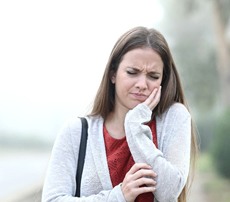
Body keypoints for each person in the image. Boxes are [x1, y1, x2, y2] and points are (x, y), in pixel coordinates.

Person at [42, 26, 198, 202]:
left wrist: (134, 125)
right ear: (113, 74)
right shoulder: (76, 132)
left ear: (164, 80)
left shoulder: (174, 118)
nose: (142, 84)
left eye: (153, 76)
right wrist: (119, 196)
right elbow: (52, 199)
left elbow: (169, 192)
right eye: (132, 72)